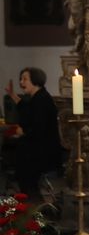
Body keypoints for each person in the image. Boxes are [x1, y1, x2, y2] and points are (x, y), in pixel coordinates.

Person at [4, 68, 63, 199]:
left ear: (36, 81)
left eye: (25, 79)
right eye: (21, 79)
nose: (21, 82)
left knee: (25, 176)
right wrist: (12, 94)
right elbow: (26, 110)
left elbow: (38, 128)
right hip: (38, 150)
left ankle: (33, 210)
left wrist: (23, 131)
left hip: (43, 153)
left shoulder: (42, 100)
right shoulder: (38, 97)